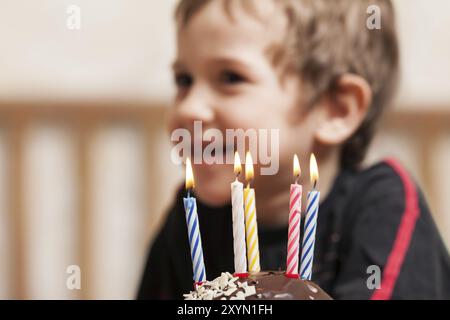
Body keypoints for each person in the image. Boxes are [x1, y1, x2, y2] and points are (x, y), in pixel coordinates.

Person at [137, 0, 450, 299]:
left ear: (336, 109)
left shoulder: (381, 205)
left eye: (231, 77)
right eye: (183, 80)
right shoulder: (191, 221)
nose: (190, 107)